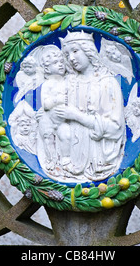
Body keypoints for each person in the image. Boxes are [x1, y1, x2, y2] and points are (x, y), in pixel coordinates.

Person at [53, 31, 126, 181]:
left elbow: (114, 127)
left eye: (75, 51)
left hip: (98, 159)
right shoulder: (69, 83)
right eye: (67, 55)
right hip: (71, 158)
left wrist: (76, 116)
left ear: (89, 50)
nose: (71, 58)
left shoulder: (107, 83)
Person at [35, 45, 72, 174]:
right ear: (47, 69)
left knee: (66, 135)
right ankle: (51, 160)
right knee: (48, 138)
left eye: (62, 62)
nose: (60, 65)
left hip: (63, 120)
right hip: (48, 119)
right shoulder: (47, 84)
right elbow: (45, 104)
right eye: (55, 63)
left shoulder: (68, 81)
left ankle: (66, 159)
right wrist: (59, 100)